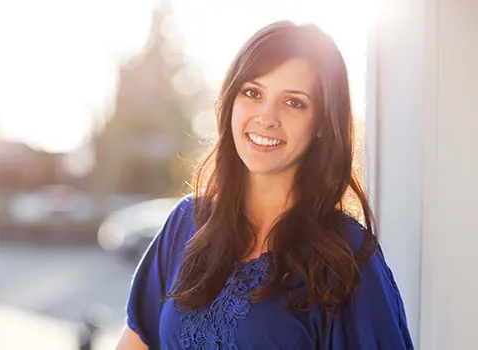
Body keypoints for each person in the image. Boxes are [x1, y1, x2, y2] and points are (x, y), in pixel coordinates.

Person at [116, 21, 414, 350]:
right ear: (231, 100)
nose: (266, 117)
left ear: (321, 123)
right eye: (253, 93)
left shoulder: (346, 256)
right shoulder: (187, 224)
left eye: (294, 102)